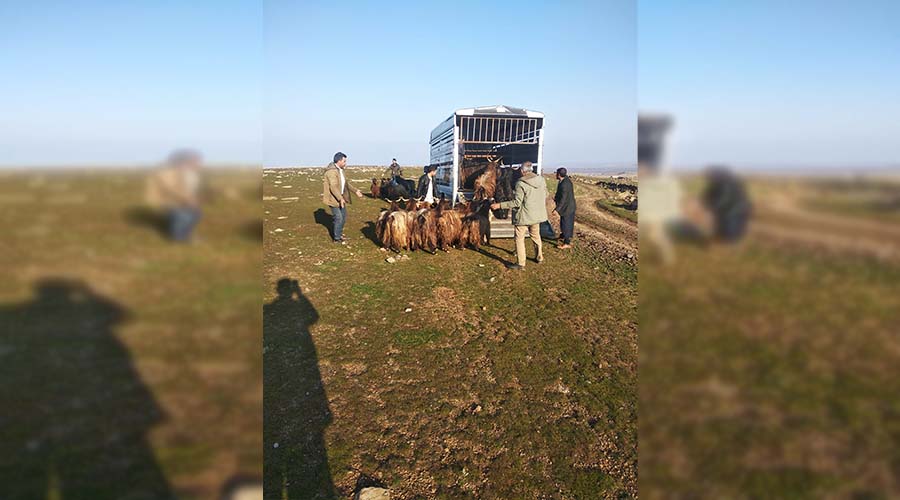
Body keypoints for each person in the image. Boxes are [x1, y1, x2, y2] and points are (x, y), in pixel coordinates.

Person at [491, 161, 548, 270]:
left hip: (524, 216)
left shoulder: (521, 184)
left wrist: (499, 205)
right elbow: (545, 194)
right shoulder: (541, 180)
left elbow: (516, 203)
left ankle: (521, 263)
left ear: (522, 171)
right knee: (536, 236)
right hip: (537, 215)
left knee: (519, 238)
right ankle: (539, 257)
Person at [145, 149, 204, 242]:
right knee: (183, 215)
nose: (199, 163)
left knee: (196, 214)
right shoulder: (169, 172)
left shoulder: (192, 174)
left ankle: (186, 234)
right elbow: (171, 189)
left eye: (198, 161)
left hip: (184, 201)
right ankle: (177, 238)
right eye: (196, 161)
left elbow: (190, 189)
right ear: (185, 161)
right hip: (169, 201)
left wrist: (194, 199)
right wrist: (187, 199)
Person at [322, 152, 363, 244]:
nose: (345, 163)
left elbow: (345, 184)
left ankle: (339, 234)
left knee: (343, 217)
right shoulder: (331, 172)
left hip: (341, 198)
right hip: (333, 199)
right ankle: (336, 239)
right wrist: (340, 199)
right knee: (339, 218)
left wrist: (355, 191)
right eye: (344, 161)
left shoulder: (340, 170)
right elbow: (333, 186)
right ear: (339, 161)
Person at [553, 167, 576, 249]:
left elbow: (563, 199)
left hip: (567, 207)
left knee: (567, 224)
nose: (555, 174)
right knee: (564, 223)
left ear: (559, 175)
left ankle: (567, 243)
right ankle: (563, 236)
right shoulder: (564, 180)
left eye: (556, 173)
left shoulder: (565, 185)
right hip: (568, 206)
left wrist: (556, 209)